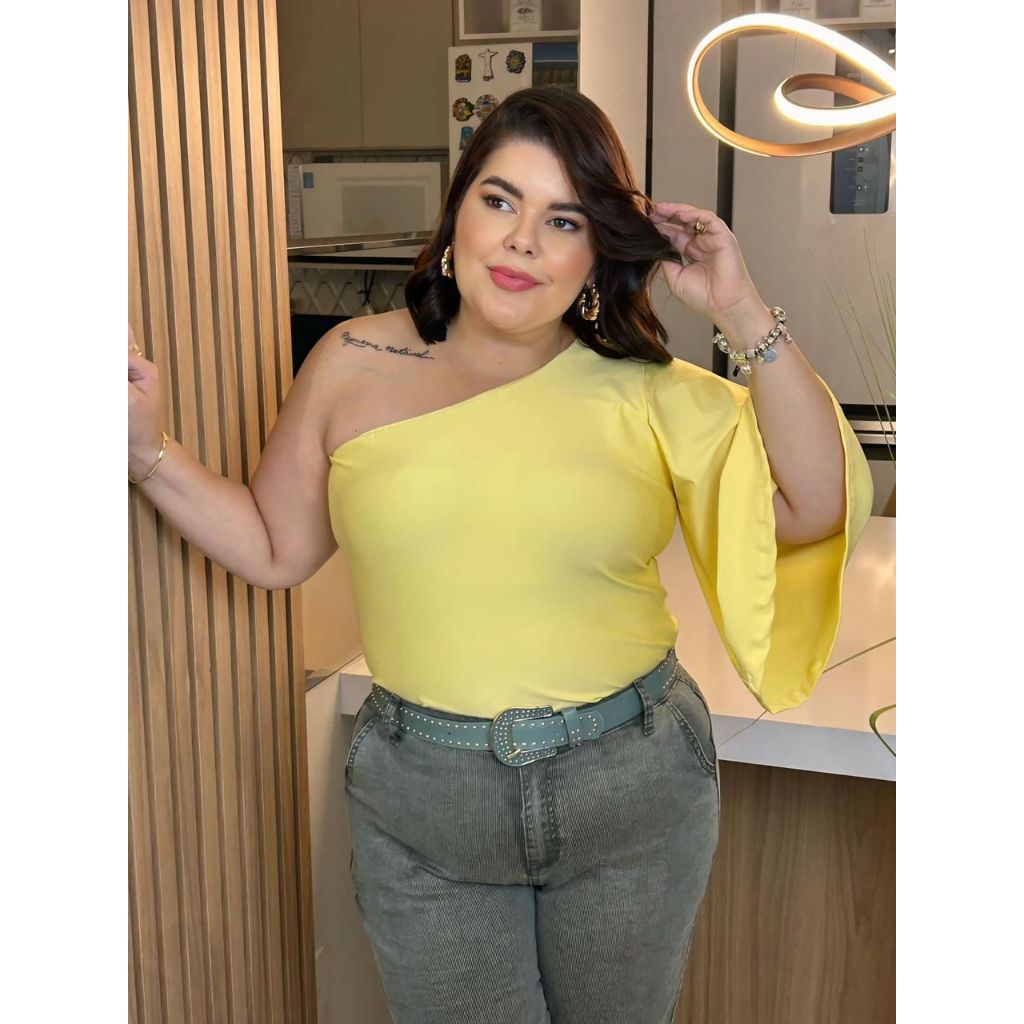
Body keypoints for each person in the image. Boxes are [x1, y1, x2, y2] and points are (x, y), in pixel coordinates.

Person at [128, 87, 873, 1023]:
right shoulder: (353, 361)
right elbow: (276, 547)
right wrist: (147, 452)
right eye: (500, 200)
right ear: (458, 214)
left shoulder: (647, 390)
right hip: (425, 802)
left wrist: (739, 306)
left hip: (630, 784)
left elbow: (814, 505)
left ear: (594, 251)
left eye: (563, 220)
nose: (522, 241)